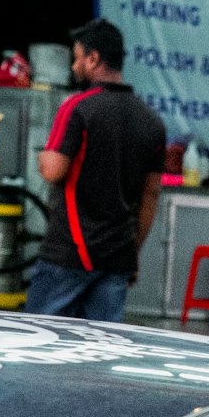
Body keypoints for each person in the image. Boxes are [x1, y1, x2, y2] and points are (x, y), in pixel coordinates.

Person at [25, 18, 165, 323]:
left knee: (38, 347)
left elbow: (53, 170)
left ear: (93, 59)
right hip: (117, 260)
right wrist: (132, 254)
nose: (74, 67)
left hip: (68, 256)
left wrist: (43, 156)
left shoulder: (77, 108)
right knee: (98, 357)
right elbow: (151, 194)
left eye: (77, 58)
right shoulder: (152, 122)